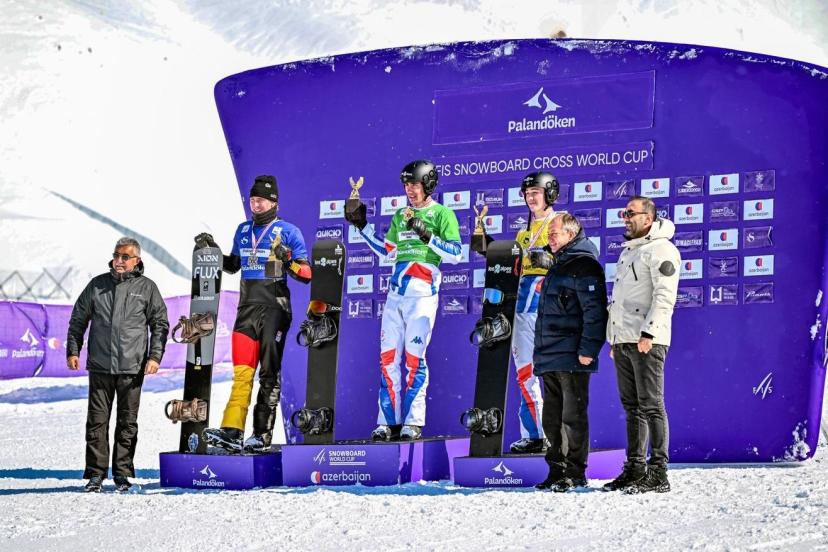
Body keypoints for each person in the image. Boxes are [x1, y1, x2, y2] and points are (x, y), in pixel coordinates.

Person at [344, 160, 462, 441]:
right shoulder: (401, 214)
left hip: (422, 296)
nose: (410, 189)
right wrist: (362, 227)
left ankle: (413, 421)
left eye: (415, 184)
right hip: (396, 295)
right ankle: (388, 421)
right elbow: (389, 252)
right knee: (388, 359)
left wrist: (427, 235)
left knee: (414, 360)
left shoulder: (443, 214)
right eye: (407, 184)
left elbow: (456, 254)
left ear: (428, 184)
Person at [197, 175, 311, 453]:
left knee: (269, 374)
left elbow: (307, 274)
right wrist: (212, 251)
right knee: (242, 373)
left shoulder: (289, 231)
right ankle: (232, 431)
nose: (256, 205)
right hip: (246, 309)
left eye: (261, 200)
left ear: (274, 202)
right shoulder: (243, 230)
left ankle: (261, 435)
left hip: (275, 309)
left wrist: (287, 260)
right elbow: (233, 265)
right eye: (252, 200)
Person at [66, 237, 169, 493]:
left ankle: (122, 474)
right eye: (116, 255)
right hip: (100, 365)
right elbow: (78, 319)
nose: (119, 261)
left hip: (132, 367)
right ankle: (95, 474)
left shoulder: (147, 288)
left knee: (127, 422)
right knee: (96, 422)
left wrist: (155, 357)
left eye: (125, 257)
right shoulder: (97, 285)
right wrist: (73, 350)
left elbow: (160, 324)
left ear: (137, 260)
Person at [471, 171, 561, 453]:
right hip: (521, 308)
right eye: (527, 194)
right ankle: (535, 435)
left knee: (556, 376)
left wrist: (549, 259)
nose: (531, 198)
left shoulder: (560, 223)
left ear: (550, 194)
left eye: (536, 192)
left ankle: (558, 436)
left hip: (549, 308)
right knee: (525, 374)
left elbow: (577, 256)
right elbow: (513, 261)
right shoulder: (524, 233)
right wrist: (486, 243)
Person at [604, 196, 680, 494]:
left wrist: (649, 333)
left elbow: (664, 297)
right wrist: (614, 338)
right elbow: (621, 301)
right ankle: (635, 468)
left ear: (648, 218)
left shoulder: (662, 249)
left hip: (647, 340)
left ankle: (658, 472)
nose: (625, 218)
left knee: (652, 406)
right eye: (624, 213)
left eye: (630, 213)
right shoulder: (629, 251)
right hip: (624, 340)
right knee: (632, 408)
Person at [532, 213, 608, 492]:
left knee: (572, 418)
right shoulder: (557, 264)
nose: (549, 239)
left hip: (574, 355)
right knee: (551, 419)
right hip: (549, 354)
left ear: (571, 234)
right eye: (548, 234)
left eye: (554, 234)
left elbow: (595, 311)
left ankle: (575, 473)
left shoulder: (585, 264)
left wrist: (589, 349)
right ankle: (556, 471)